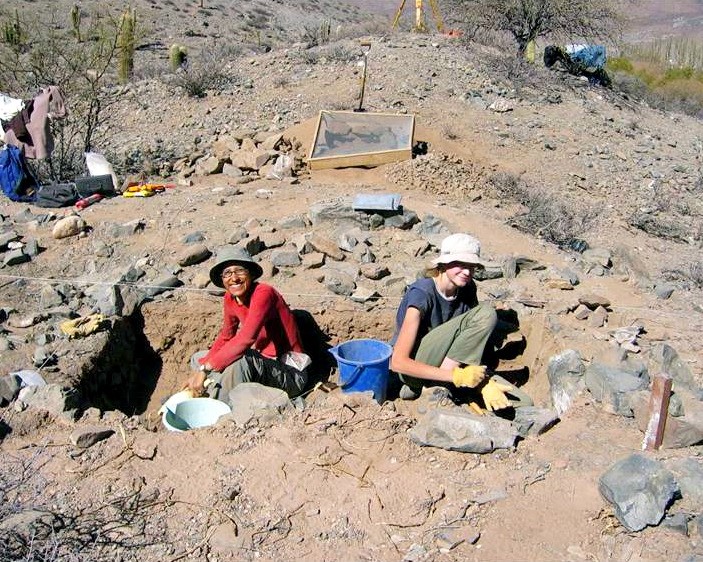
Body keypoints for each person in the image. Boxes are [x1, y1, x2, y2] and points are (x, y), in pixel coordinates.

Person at [390, 233, 531, 410]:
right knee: (486, 314)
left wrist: (483, 383)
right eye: (461, 264)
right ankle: (439, 387)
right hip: (415, 368)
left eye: (471, 267)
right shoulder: (422, 293)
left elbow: (469, 343)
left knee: (521, 403)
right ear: (444, 263)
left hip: (452, 368)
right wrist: (457, 378)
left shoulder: (467, 289)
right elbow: (398, 362)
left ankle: (442, 388)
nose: (467, 272)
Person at [183, 246, 309, 403]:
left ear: (251, 273)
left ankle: (218, 410)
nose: (234, 278)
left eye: (240, 271)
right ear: (222, 279)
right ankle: (201, 392)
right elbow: (226, 336)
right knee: (198, 358)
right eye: (227, 273)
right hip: (265, 364)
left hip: (291, 374)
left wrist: (206, 369)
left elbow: (247, 338)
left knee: (242, 360)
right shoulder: (230, 298)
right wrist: (202, 367)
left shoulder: (264, 292)